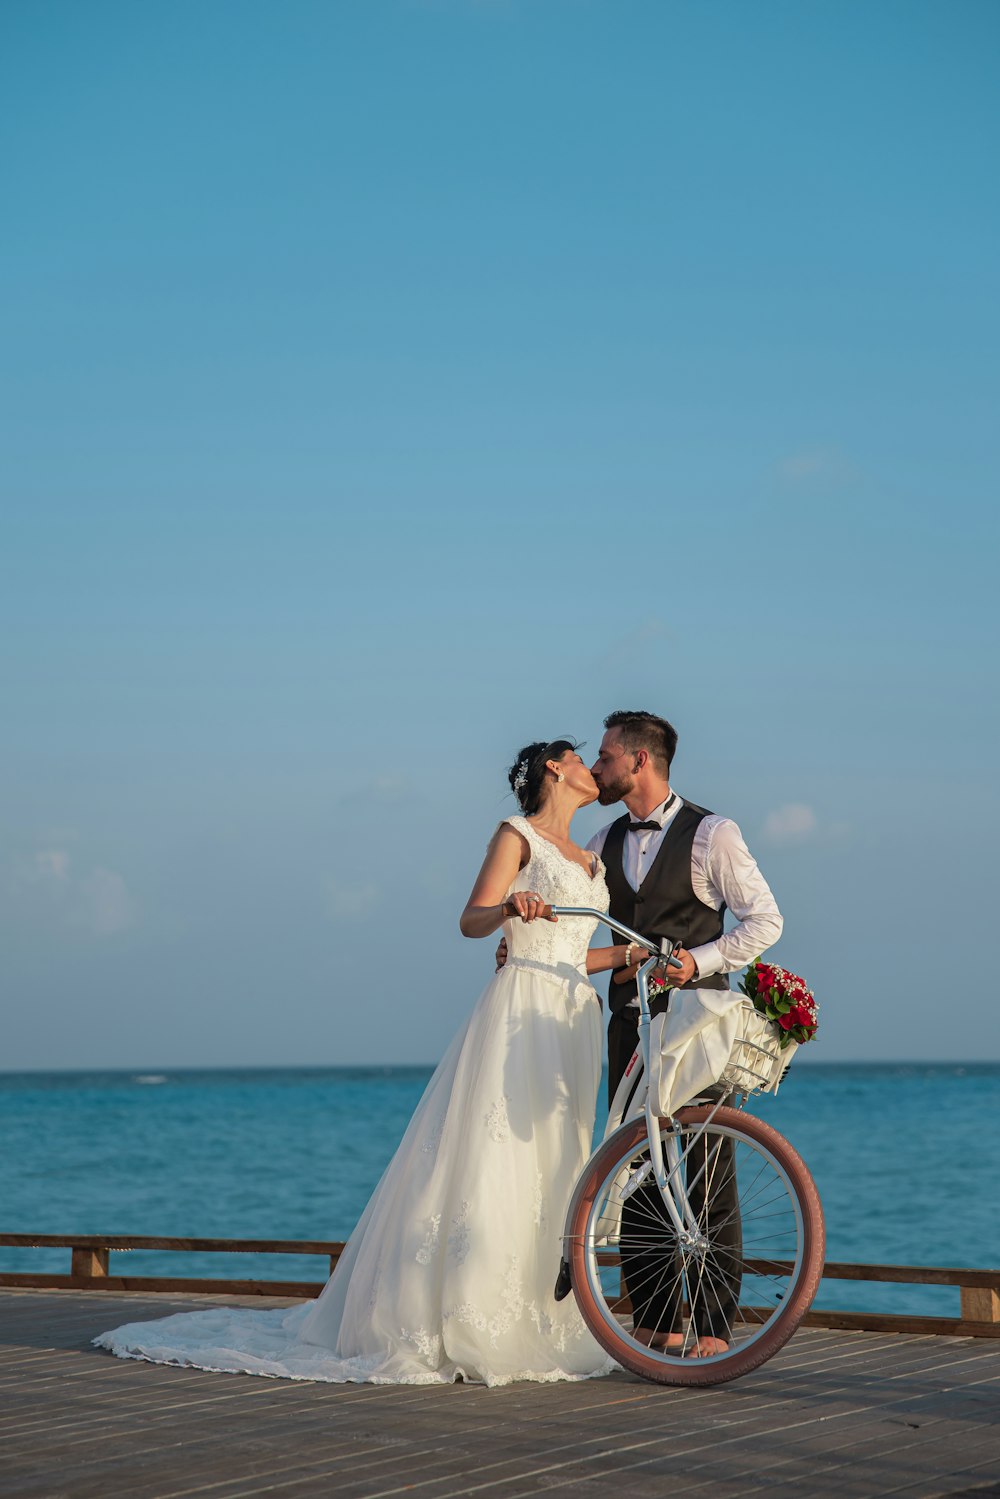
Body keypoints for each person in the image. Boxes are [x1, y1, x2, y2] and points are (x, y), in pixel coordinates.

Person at [94, 739, 648, 1387]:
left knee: (556, 1157)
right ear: (555, 767)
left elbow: (575, 954)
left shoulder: (591, 858)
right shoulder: (516, 835)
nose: (591, 767)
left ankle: (542, 1310)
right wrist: (507, 909)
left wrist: (629, 958)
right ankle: (468, 1312)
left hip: (571, 1016)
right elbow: (470, 919)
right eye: (581, 757)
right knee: (497, 1155)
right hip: (519, 1003)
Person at [496, 709, 783, 1359]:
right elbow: (569, 924)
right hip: (629, 1019)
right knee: (638, 1162)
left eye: (604, 756)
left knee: (711, 1165)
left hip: (700, 1021)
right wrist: (521, 945)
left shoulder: (714, 833)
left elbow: (764, 921)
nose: (596, 767)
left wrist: (700, 960)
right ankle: (655, 1317)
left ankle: (714, 1323)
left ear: (639, 761)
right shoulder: (599, 840)